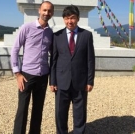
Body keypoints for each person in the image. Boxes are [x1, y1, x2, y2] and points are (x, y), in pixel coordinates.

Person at [50, 5, 95, 134]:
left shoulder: (86, 35)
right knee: (60, 113)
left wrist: (90, 81)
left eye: (73, 18)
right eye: (67, 18)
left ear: (78, 19)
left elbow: (90, 60)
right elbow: (53, 60)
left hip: (80, 82)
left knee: (80, 113)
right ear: (63, 19)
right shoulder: (57, 36)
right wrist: (52, 81)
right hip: (61, 82)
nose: (70, 21)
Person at [10, 1, 54, 134]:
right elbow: (15, 50)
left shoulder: (50, 33)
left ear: (52, 13)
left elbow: (53, 54)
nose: (47, 13)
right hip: (27, 75)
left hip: (43, 76)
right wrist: (17, 73)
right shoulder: (27, 28)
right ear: (39, 10)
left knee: (38, 109)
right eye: (44, 10)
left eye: (49, 11)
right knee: (22, 109)